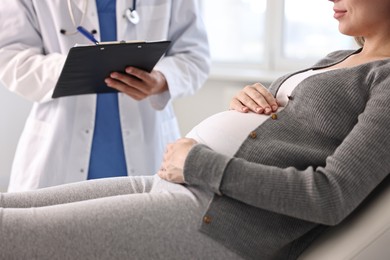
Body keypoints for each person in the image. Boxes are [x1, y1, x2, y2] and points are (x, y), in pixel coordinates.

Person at [1, 0, 390, 259]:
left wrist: (199, 163)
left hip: (212, 213)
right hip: (179, 184)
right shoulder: (342, 58)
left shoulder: (385, 77)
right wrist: (256, 98)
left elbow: (329, 196)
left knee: (11, 234)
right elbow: (289, 128)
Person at [0, 0, 210, 191]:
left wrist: (162, 79)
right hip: (58, 148)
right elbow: (9, 56)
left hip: (148, 144)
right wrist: (72, 66)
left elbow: (195, 55)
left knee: (146, 224)